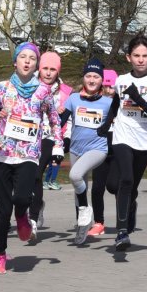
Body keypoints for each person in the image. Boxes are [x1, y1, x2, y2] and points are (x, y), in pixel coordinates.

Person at [0, 42, 64, 274]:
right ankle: (0, 254)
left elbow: (55, 120)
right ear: (15, 62)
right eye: (22, 57)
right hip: (1, 154)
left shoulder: (43, 91)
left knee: (23, 197)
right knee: (2, 210)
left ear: (36, 64)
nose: (27, 61)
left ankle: (23, 217)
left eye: (32, 58)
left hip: (28, 154)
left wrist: (58, 145)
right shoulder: (1, 88)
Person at [100, 34, 147, 251]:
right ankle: (121, 232)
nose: (140, 60)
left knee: (131, 187)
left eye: (144, 56)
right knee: (122, 182)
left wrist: (137, 97)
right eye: (136, 55)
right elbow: (116, 105)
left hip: (145, 141)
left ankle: (131, 206)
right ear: (128, 57)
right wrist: (105, 123)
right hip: (122, 136)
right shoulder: (121, 80)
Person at [61, 58, 112, 245]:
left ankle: (86, 211)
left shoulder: (107, 102)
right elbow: (60, 121)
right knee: (78, 188)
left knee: (75, 175)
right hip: (76, 149)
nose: (91, 80)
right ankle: (81, 226)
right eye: (88, 76)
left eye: (96, 76)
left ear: (101, 80)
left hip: (97, 149)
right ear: (84, 78)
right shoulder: (73, 98)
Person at [29, 52, 72, 240]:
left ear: (58, 71)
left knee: (37, 173)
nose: (48, 73)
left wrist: (62, 143)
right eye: (45, 68)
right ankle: (35, 205)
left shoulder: (64, 92)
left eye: (52, 69)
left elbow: (68, 121)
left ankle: (33, 218)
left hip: (49, 137)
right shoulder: (29, 85)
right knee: (28, 178)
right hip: (28, 135)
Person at [89, 68, 118, 237]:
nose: (108, 90)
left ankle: (124, 217)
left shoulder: (121, 105)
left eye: (111, 87)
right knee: (97, 188)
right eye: (105, 87)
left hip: (117, 151)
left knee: (114, 186)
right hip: (98, 149)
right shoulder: (95, 103)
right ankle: (98, 222)